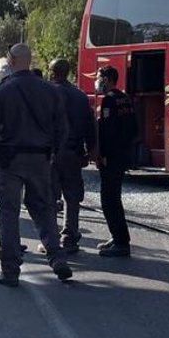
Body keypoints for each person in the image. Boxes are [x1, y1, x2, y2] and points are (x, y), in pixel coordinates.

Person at [0, 43, 72, 286]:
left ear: (10, 60)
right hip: (40, 159)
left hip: (9, 161)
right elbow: (63, 128)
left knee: (8, 214)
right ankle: (57, 257)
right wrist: (52, 154)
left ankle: (10, 271)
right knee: (44, 209)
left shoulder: (2, 90)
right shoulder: (50, 91)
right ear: (30, 61)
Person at [47, 58, 95, 255]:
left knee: (50, 197)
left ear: (52, 72)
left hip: (50, 153)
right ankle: (70, 237)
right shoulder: (80, 96)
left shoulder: (46, 93)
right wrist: (91, 150)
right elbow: (90, 126)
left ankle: (51, 238)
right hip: (74, 152)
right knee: (72, 197)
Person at [93, 65, 136, 258]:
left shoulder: (109, 100)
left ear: (108, 79)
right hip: (123, 154)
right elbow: (133, 128)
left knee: (109, 200)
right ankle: (116, 237)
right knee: (113, 197)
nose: (97, 80)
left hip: (112, 156)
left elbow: (107, 131)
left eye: (99, 77)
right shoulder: (125, 98)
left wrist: (103, 154)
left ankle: (121, 242)